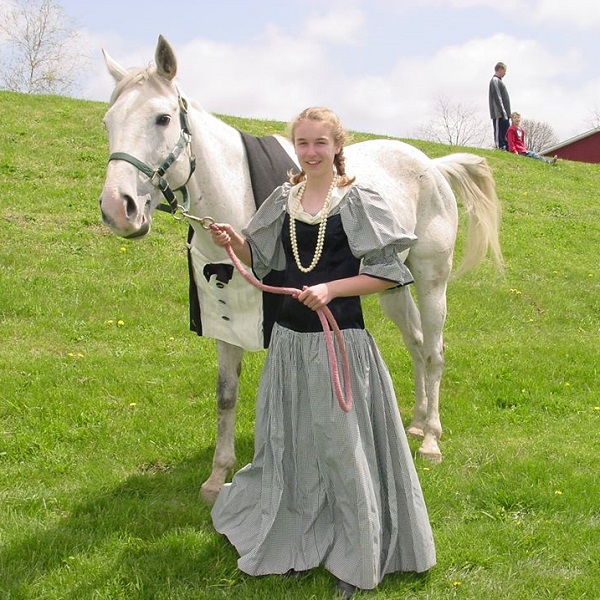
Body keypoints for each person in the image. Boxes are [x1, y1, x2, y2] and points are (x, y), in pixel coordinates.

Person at [209, 107, 436, 598]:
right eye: (303, 143)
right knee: (288, 444)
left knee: (341, 452)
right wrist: (234, 243)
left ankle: (357, 555)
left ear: (337, 146)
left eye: (320, 143)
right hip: (289, 348)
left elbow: (389, 273)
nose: (310, 152)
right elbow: (266, 259)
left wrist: (332, 288)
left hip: (339, 345)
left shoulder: (356, 201)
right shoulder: (283, 198)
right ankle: (296, 534)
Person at [489, 61, 511, 150]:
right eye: (504, 71)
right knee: (498, 129)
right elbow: (498, 97)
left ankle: (507, 146)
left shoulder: (500, 81)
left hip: (504, 112)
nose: (505, 73)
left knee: (505, 129)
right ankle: (500, 145)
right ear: (500, 69)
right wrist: (503, 111)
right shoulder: (495, 80)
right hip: (498, 112)